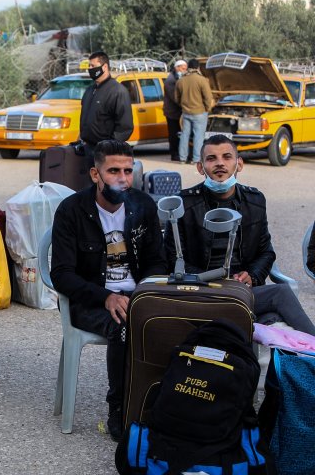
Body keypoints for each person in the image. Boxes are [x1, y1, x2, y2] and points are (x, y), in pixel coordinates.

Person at [50, 139, 166, 442]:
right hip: (91, 300)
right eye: (114, 170)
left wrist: (144, 291)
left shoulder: (143, 205)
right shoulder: (71, 211)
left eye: (128, 170)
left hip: (137, 295)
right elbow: (61, 275)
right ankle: (121, 408)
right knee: (124, 324)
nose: (123, 178)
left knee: (173, 321)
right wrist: (106, 297)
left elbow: (157, 261)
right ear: (95, 174)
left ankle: (158, 404)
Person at [166, 135, 315, 335]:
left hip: (243, 290)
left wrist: (251, 276)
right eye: (211, 159)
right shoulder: (183, 204)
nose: (220, 163)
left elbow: (266, 252)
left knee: (275, 318)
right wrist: (210, 280)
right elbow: (174, 258)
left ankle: (306, 355)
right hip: (201, 293)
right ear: (201, 167)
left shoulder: (254, 201)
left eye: (227, 157)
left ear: (239, 164)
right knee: (279, 297)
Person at [79, 51, 134, 169]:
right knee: (90, 185)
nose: (90, 69)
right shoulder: (90, 90)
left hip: (106, 153)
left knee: (104, 186)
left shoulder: (117, 91)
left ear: (104, 66)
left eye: (93, 66)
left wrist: (109, 147)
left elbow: (125, 126)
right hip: (88, 150)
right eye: (89, 66)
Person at [175, 58, 213, 165]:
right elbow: (208, 97)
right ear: (198, 67)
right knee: (198, 136)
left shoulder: (181, 80)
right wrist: (207, 108)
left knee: (184, 135)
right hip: (200, 112)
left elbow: (176, 98)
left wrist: (183, 106)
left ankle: (182, 158)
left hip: (186, 112)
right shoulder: (202, 80)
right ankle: (196, 159)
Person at [163, 60, 187, 162]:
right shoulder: (170, 81)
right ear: (177, 68)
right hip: (172, 112)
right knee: (174, 134)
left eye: (185, 68)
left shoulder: (178, 78)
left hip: (178, 112)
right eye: (183, 68)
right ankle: (174, 154)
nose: (185, 70)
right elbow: (175, 98)